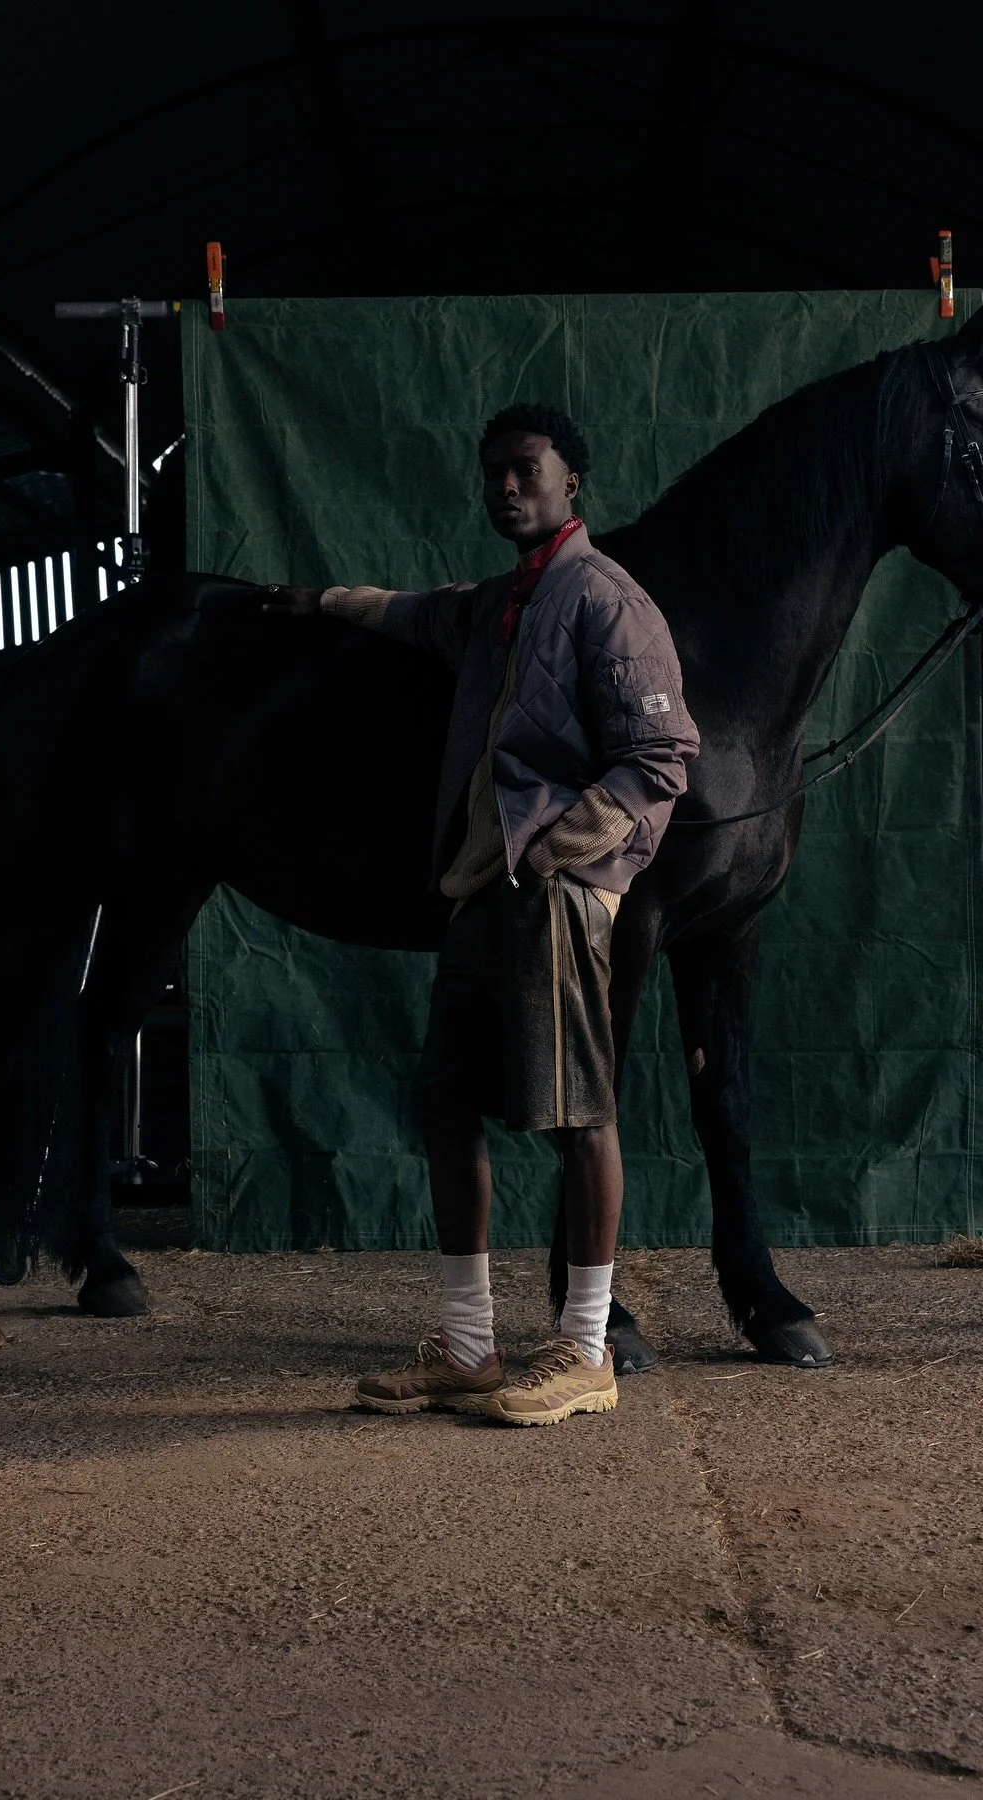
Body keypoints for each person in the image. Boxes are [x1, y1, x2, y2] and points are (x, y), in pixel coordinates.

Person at [266, 402, 698, 1424]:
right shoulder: (500, 602)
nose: (506, 486)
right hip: (478, 898)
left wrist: (560, 854)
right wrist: (317, 599)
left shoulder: (605, 598)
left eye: (525, 469)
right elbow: (409, 610)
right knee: (446, 1110)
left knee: (578, 1116)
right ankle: (468, 1351)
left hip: (552, 897)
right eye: (493, 472)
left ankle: (586, 1353)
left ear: (570, 481)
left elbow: (663, 758)